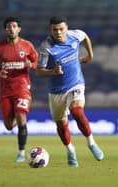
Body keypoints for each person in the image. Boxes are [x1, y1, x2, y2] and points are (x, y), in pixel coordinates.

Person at [36, 16, 104, 167]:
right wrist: (52, 71)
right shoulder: (46, 47)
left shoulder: (75, 35)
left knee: (77, 111)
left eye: (61, 29)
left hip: (76, 84)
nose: (58, 32)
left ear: (67, 28)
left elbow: (85, 36)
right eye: (55, 30)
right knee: (61, 124)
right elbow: (39, 72)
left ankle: (91, 143)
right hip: (56, 92)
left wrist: (90, 54)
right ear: (50, 30)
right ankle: (70, 150)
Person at [0, 17, 38, 162]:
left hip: (22, 87)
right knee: (9, 125)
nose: (11, 29)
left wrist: (31, 65)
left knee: (21, 117)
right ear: (6, 29)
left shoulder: (27, 46)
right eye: (9, 27)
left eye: (14, 26)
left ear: (19, 29)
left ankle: (21, 153)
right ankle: (19, 112)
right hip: (4, 90)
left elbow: (36, 61)